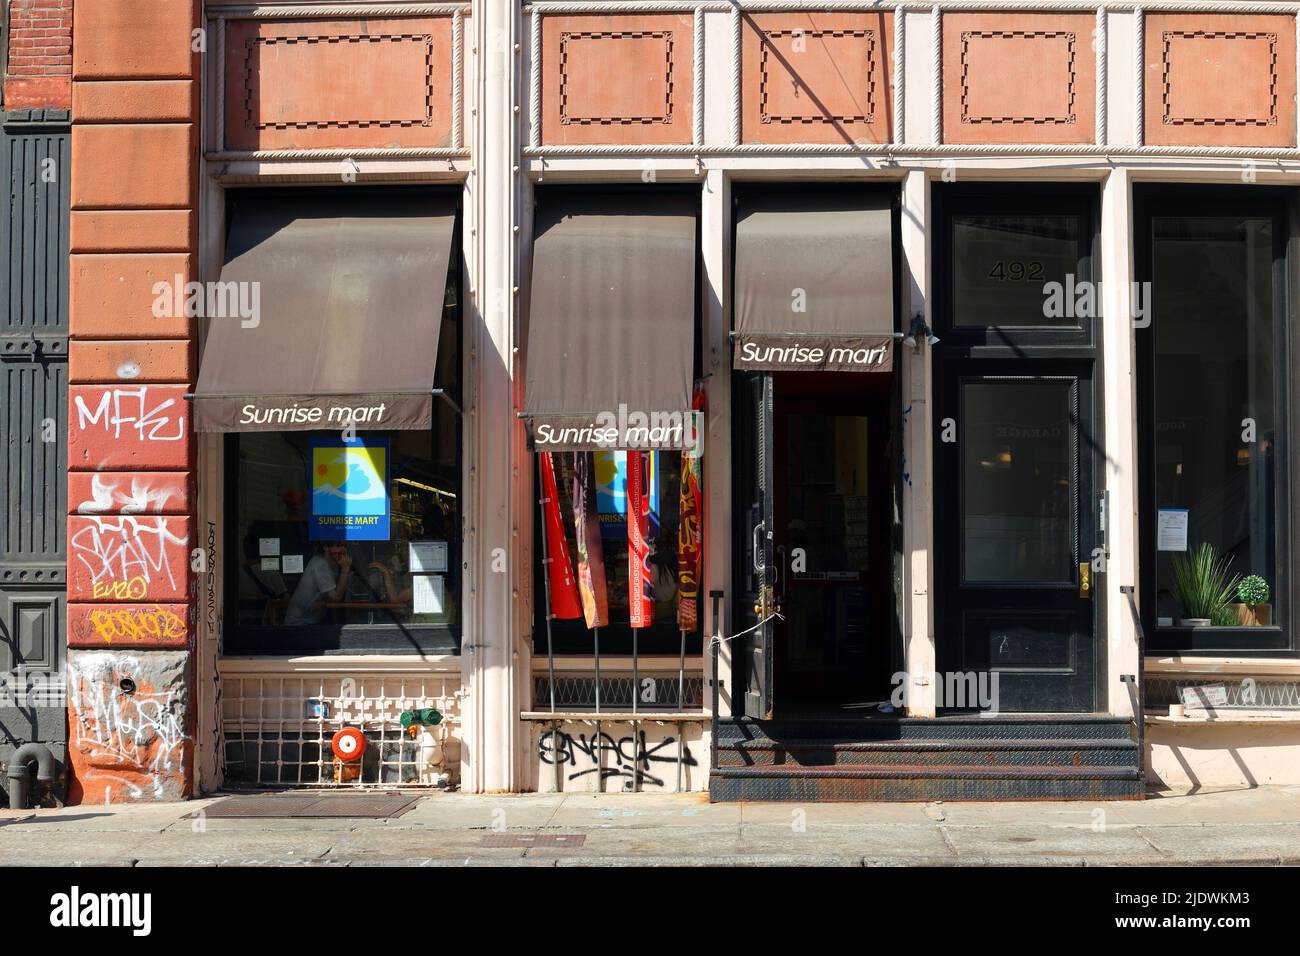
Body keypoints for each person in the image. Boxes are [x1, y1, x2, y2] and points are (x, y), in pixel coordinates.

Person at [284, 543, 354, 625]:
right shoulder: (320, 565)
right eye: (338, 546)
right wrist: (345, 569)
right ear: (325, 547)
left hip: (312, 621)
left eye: (344, 546)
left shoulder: (334, 565)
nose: (342, 550)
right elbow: (336, 597)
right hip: (298, 624)